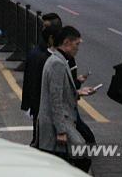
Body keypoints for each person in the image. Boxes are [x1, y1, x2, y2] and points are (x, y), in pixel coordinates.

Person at [37, 26, 96, 172]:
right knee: (81, 159)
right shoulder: (57, 63)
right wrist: (61, 131)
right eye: (77, 44)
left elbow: (61, 93)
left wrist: (78, 92)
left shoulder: (58, 60)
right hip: (57, 124)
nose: (78, 48)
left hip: (58, 123)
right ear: (67, 42)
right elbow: (55, 99)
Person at [21, 24, 61, 146]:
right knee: (39, 139)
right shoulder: (42, 57)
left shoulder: (41, 54)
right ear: (51, 38)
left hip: (38, 105)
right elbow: (34, 83)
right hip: (40, 105)